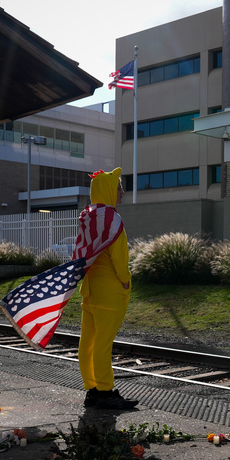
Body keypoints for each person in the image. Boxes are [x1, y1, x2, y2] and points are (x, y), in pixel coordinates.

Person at [75, 167, 137, 410]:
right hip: (110, 293)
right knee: (103, 344)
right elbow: (120, 259)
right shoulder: (113, 219)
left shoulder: (88, 217)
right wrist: (126, 280)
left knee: (87, 344)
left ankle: (92, 389)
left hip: (90, 291)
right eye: (119, 187)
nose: (121, 192)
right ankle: (106, 391)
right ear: (109, 190)